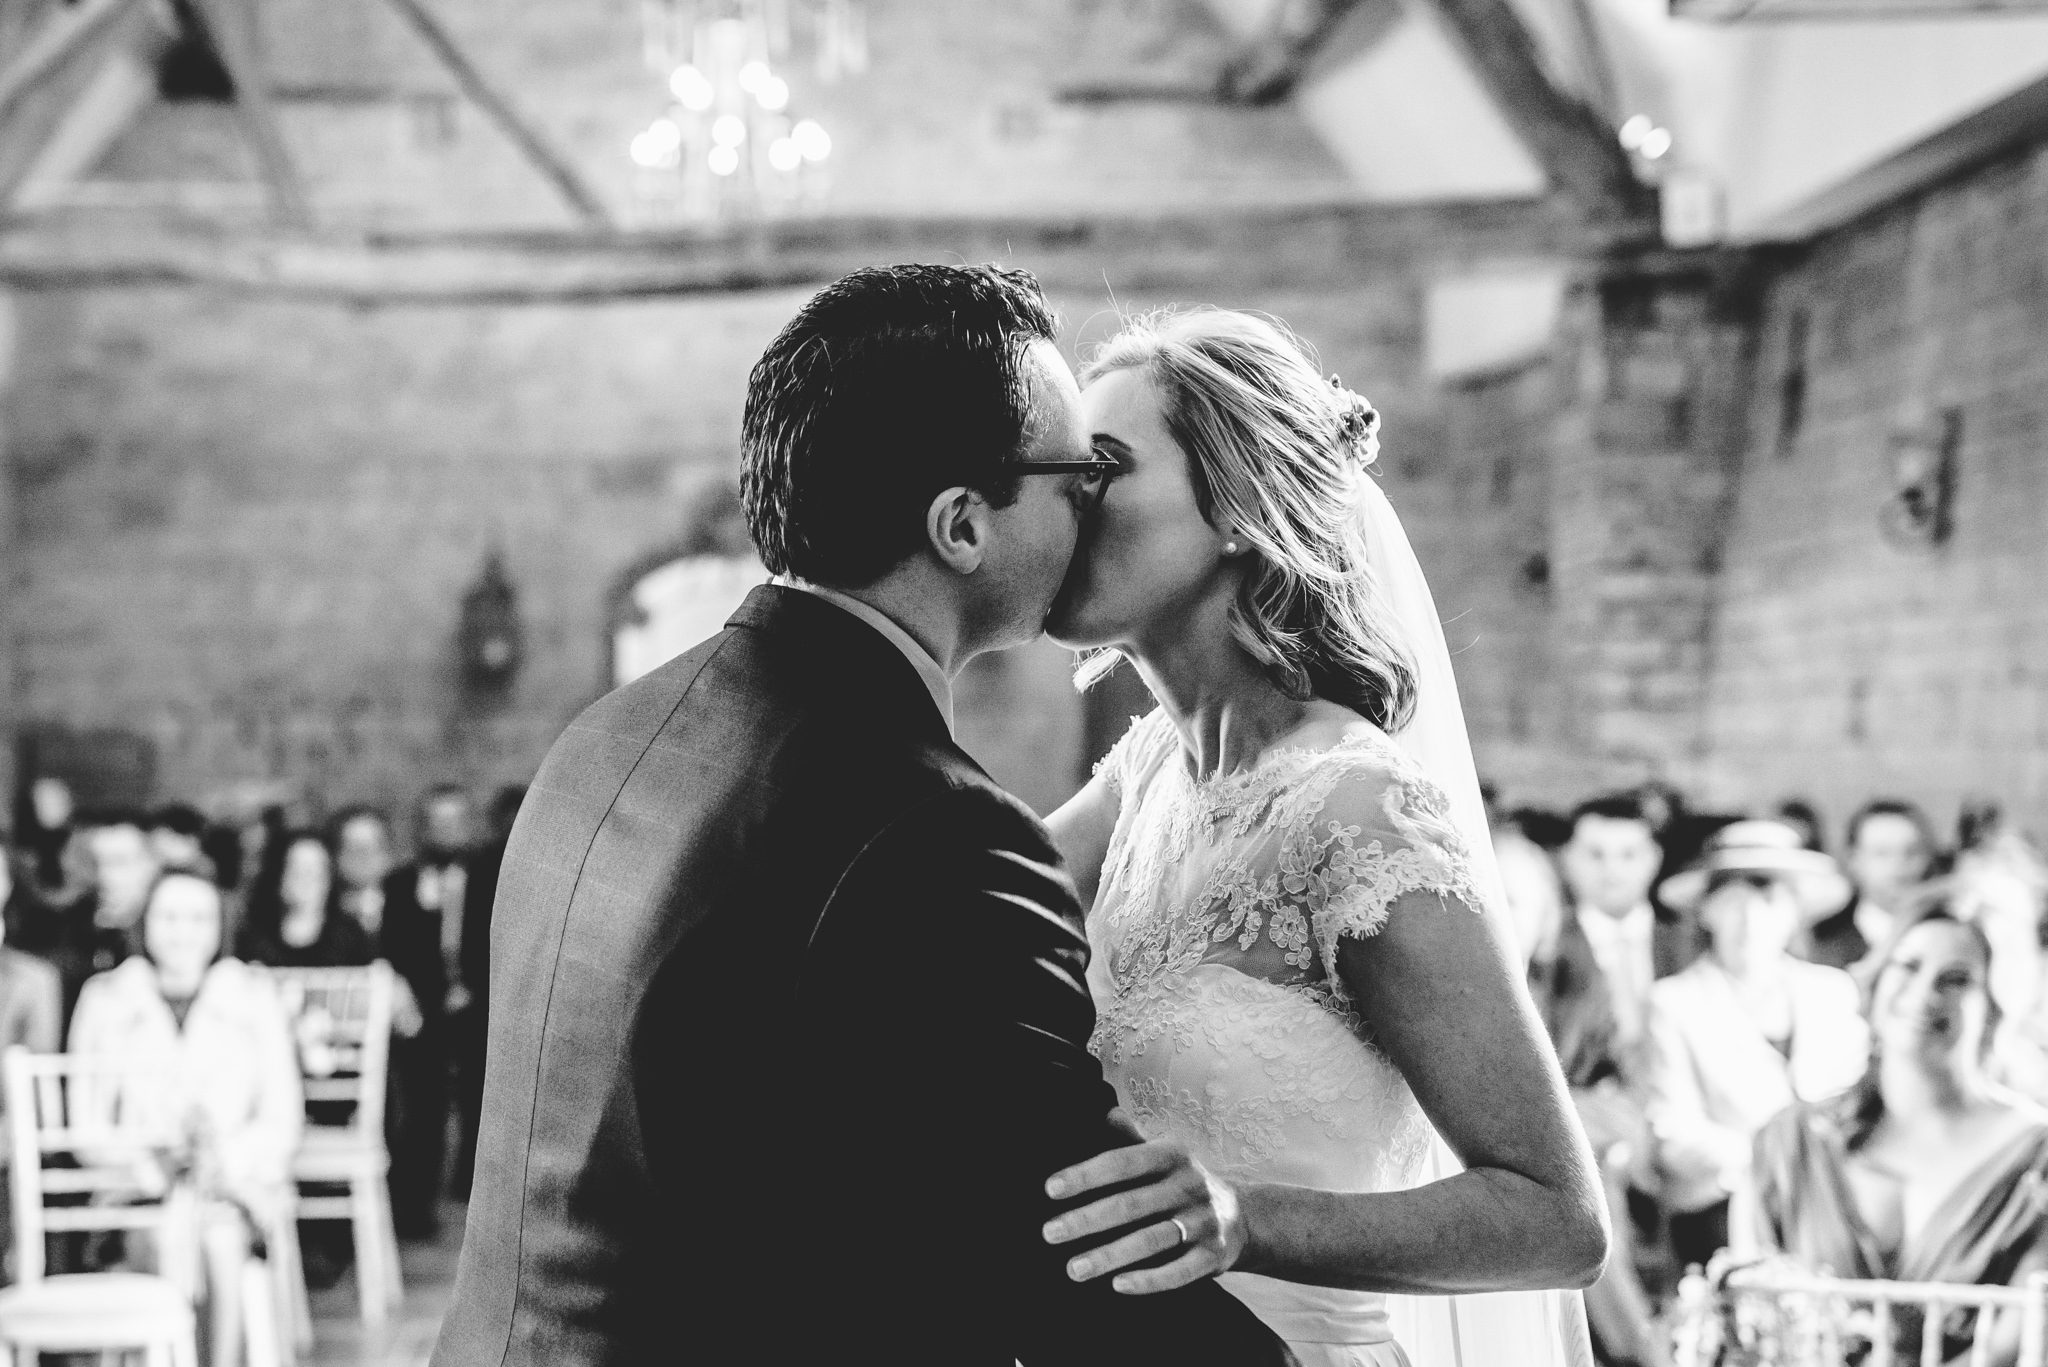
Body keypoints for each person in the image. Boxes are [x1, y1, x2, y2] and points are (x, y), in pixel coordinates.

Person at [433, 265, 1295, 1366]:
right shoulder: (935, 832)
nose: (1091, 504)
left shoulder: (603, 733)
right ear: (961, 525)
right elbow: (1083, 1257)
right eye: (1072, 478)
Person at [1036, 308, 1603, 1367]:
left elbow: (1556, 1219)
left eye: (1103, 468)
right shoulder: (1147, 771)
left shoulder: (1354, 811)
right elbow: (949, 907)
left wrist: (1243, 1218)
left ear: (1240, 509)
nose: (1066, 502)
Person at [1746, 904, 2048, 1364]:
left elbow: (2021, 1340)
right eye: (1907, 966)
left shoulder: (2036, 1155)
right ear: (1876, 981)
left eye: (1956, 979)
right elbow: (1752, 1319)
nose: (1925, 993)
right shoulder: (1790, 1142)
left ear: (1992, 1007)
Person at [68, 870, 304, 1367]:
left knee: (219, 1239)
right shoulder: (105, 998)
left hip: (232, 1185)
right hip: (138, 1190)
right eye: (169, 916)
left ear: (220, 926)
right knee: (159, 1238)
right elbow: (84, 1122)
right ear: (145, 923)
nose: (183, 932)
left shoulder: (253, 996)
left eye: (199, 918)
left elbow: (281, 1117)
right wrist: (152, 1160)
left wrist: (221, 1161)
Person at [1643, 820, 1866, 1273]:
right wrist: (1770, 1161)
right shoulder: (1675, 1001)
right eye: (1732, 903)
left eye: (1767, 902)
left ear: (1794, 913)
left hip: (1828, 1197)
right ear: (1706, 912)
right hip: (1722, 1201)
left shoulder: (1832, 992)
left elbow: (1855, 1101)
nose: (1750, 920)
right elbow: (1672, 1132)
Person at [381, 785, 483, 1235]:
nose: (446, 832)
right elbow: (394, 948)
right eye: (437, 822)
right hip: (425, 1008)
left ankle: (476, 1197)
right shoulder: (402, 882)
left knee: (484, 1101)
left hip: (480, 1003)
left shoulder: (489, 877)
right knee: (423, 1105)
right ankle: (417, 1205)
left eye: (454, 822)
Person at [1560, 794, 1698, 1069]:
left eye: (1629, 855)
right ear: (1567, 858)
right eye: (1595, 854)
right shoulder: (1548, 947)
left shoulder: (1691, 943)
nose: (1612, 869)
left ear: (1654, 859)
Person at [1799, 799, 1937, 971]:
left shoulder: (1949, 937)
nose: (1899, 865)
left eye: (1911, 852)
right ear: (1854, 860)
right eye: (1882, 853)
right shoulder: (1822, 948)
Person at [235, 828, 376, 969]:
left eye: (315, 870)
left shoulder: (352, 940)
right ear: (279, 876)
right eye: (298, 869)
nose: (307, 880)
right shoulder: (253, 940)